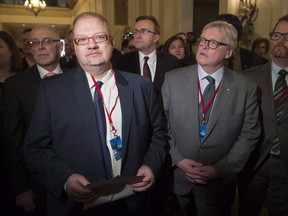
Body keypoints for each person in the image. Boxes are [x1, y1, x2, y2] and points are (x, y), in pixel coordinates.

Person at [23, 12, 166, 216]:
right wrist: (64, 180)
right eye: (82, 39)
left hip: (132, 202)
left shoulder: (141, 86)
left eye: (99, 37)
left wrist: (151, 165)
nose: (92, 45)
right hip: (77, 206)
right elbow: (34, 149)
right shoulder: (52, 90)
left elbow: (159, 135)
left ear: (111, 41)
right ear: (74, 46)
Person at [161, 20, 260, 215]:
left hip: (216, 186)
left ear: (229, 52)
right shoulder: (172, 79)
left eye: (213, 43)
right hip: (177, 180)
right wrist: (178, 159)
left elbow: (250, 134)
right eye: (202, 40)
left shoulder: (245, 88)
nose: (204, 46)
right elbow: (161, 124)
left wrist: (220, 170)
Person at [4, 24, 66, 215]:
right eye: (34, 43)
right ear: (29, 49)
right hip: (38, 181)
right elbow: (13, 140)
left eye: (47, 41)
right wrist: (22, 187)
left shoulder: (78, 76)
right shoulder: (16, 85)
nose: (40, 47)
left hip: (78, 174)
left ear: (60, 47)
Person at [238, 14, 288, 216]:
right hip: (254, 161)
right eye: (276, 34)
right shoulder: (248, 77)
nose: (280, 40)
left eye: (287, 35)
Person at [114, 15, 181, 96]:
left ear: (155, 38)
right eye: (136, 31)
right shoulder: (123, 62)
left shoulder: (171, 63)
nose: (137, 35)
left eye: (144, 31)